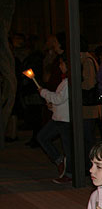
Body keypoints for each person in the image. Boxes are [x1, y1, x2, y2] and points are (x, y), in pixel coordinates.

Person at [36, 55, 72, 184]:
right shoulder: (65, 81)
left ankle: (69, 174)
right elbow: (60, 100)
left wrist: (43, 92)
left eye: (62, 64)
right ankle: (59, 160)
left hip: (64, 120)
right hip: (57, 117)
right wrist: (52, 106)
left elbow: (59, 98)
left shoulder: (69, 82)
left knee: (68, 147)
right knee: (42, 137)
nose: (60, 66)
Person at [81, 37, 102, 173]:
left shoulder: (87, 61)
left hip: (89, 105)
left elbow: (89, 84)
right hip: (90, 105)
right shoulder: (89, 59)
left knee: (88, 137)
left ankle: (92, 165)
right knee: (88, 136)